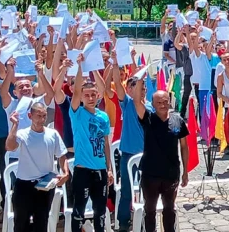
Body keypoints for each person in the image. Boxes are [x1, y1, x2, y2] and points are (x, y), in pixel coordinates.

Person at [133, 73, 190, 232]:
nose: (163, 104)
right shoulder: (148, 118)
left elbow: (184, 146)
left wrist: (185, 171)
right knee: (149, 210)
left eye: (165, 101)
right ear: (153, 103)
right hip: (150, 174)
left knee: (169, 209)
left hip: (171, 174)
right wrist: (139, 80)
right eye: (159, 102)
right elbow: (137, 101)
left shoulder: (178, 120)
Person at [6, 102, 69, 232]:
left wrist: (66, 172)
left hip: (45, 185)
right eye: (38, 116)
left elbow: (62, 155)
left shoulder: (53, 134)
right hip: (24, 185)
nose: (41, 119)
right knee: (21, 223)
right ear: (30, 116)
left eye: (44, 116)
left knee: (41, 222)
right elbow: (10, 146)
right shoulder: (23, 134)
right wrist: (15, 125)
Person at [69, 58, 114, 232]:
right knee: (79, 211)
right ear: (81, 97)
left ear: (97, 96)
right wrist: (80, 66)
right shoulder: (77, 113)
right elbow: (75, 93)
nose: (90, 98)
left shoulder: (103, 117)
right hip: (82, 170)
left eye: (93, 94)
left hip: (100, 170)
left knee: (100, 212)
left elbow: (106, 144)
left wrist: (109, 168)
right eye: (86, 95)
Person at [112, 51, 152, 230]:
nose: (140, 89)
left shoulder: (151, 107)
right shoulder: (126, 103)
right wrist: (114, 63)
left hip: (147, 156)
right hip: (128, 154)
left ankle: (144, 221)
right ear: (129, 89)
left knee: (147, 192)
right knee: (127, 192)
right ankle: (123, 223)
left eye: (143, 87)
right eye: (136, 87)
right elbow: (119, 89)